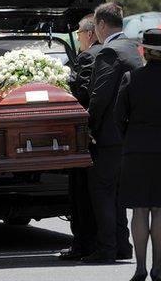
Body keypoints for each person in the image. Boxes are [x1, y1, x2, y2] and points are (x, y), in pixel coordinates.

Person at [114, 29, 161, 281]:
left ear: (143, 51)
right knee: (160, 210)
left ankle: (140, 268)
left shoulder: (130, 78)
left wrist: (132, 137)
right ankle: (157, 269)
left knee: (138, 209)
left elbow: (118, 117)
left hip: (136, 149)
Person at [85, 2, 142, 264]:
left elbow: (100, 96)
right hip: (129, 135)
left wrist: (89, 127)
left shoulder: (109, 51)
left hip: (108, 135)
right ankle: (122, 245)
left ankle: (107, 248)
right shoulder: (133, 49)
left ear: (101, 25)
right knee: (118, 194)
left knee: (103, 191)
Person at [60, 14, 100, 261]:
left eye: (79, 35)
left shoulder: (87, 56)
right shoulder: (106, 53)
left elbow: (81, 90)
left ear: (90, 34)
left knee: (80, 192)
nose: (79, 40)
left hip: (82, 132)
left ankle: (82, 243)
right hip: (103, 134)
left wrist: (65, 81)